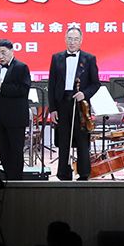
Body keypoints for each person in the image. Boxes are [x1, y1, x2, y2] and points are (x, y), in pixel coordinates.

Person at [47, 26, 102, 180]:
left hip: (80, 106)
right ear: (65, 40)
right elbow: (51, 84)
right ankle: (63, 173)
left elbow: (95, 83)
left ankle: (84, 173)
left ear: (81, 40)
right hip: (62, 103)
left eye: (75, 39)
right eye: (70, 39)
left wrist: (84, 94)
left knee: (82, 140)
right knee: (63, 140)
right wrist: (52, 109)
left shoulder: (89, 58)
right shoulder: (56, 58)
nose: (72, 42)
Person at [0, 39, 33, 180]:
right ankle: (7, 178)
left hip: (15, 116)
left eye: (3, 52)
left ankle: (16, 181)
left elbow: (23, 90)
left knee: (16, 150)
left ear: (12, 51)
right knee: (4, 150)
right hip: (0, 116)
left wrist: (2, 87)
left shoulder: (21, 67)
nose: (0, 56)